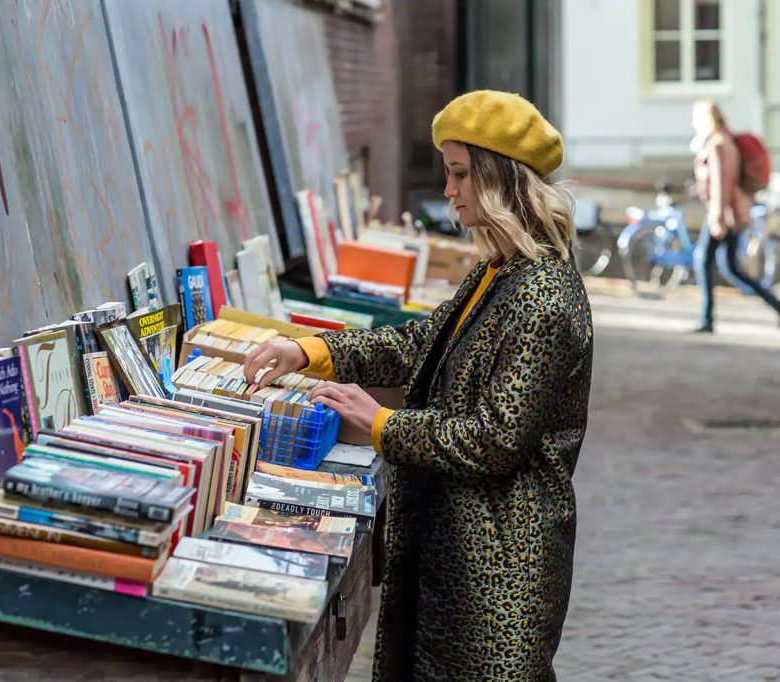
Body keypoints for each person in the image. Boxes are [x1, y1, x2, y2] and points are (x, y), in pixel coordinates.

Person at [244, 90, 592, 681]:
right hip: (462, 549)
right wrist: (310, 349)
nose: (450, 189)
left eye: (460, 174)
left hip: (501, 564)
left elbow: (495, 440)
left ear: (501, 181)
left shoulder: (542, 297)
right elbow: (416, 345)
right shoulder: (498, 271)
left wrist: (380, 423)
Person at [691, 100, 780, 333]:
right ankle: (776, 303)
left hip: (725, 214)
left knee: (703, 260)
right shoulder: (725, 141)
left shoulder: (719, 144)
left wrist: (718, 217)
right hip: (732, 213)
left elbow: (723, 184)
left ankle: (707, 319)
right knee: (731, 268)